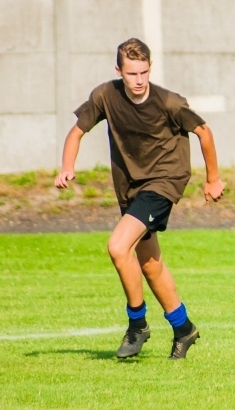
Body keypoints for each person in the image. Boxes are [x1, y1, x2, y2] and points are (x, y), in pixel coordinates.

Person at [55, 37, 225, 359]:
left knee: (118, 246)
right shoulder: (106, 95)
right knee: (149, 262)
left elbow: (203, 131)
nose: (139, 80)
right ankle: (183, 327)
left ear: (150, 68)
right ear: (119, 70)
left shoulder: (168, 102)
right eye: (132, 73)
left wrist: (213, 179)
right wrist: (67, 167)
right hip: (130, 187)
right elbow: (77, 131)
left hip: (164, 180)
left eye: (144, 72)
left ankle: (137, 325)